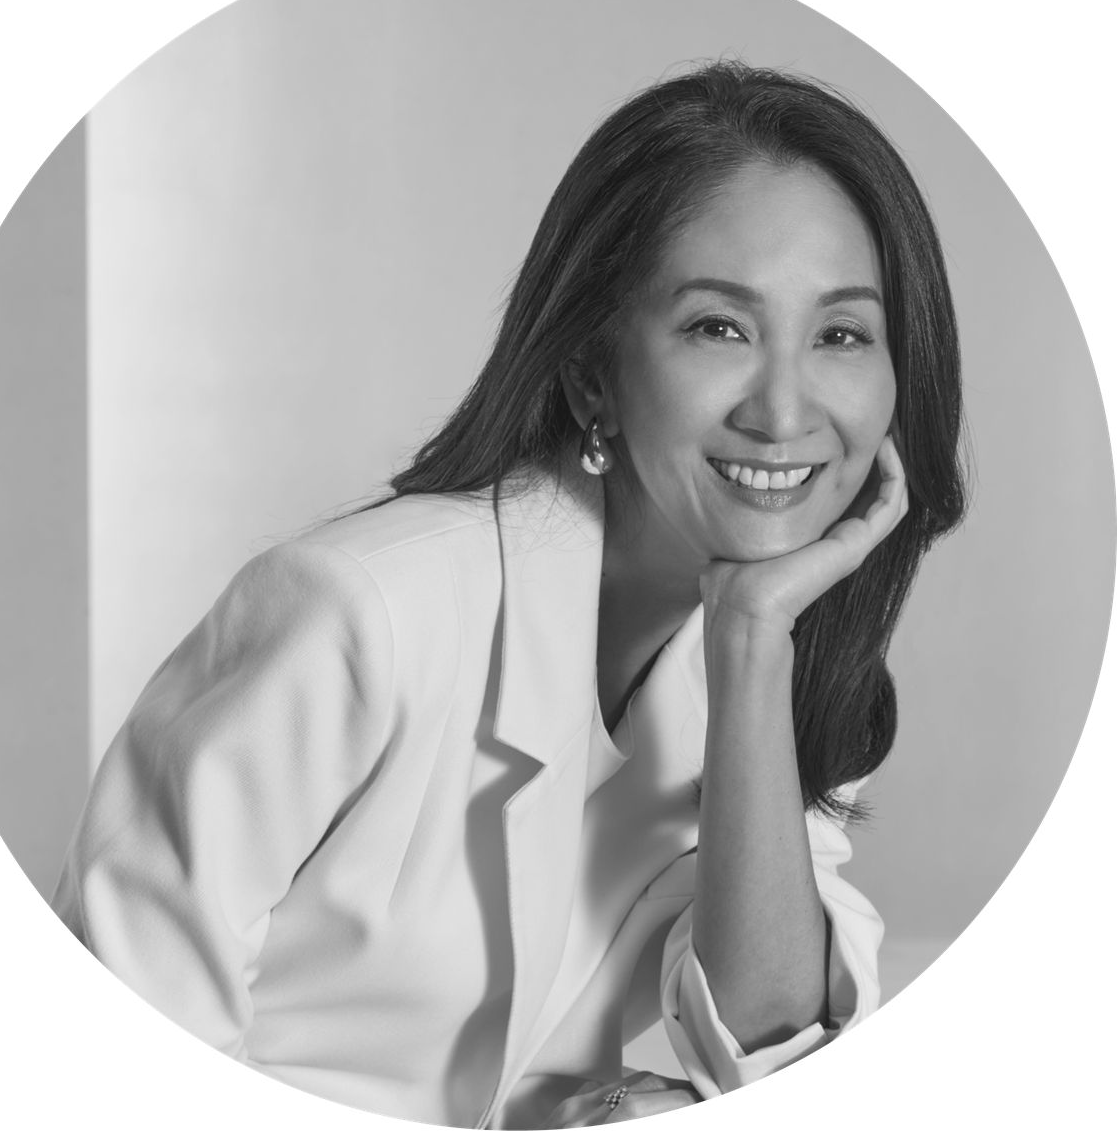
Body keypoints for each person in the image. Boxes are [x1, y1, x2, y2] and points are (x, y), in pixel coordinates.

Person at [51, 59, 968, 1130]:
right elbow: (88, 1059)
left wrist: (756, 639)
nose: (783, 406)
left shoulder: (758, 653)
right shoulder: (360, 614)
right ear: (592, 373)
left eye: (843, 336)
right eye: (720, 327)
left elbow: (770, 1065)